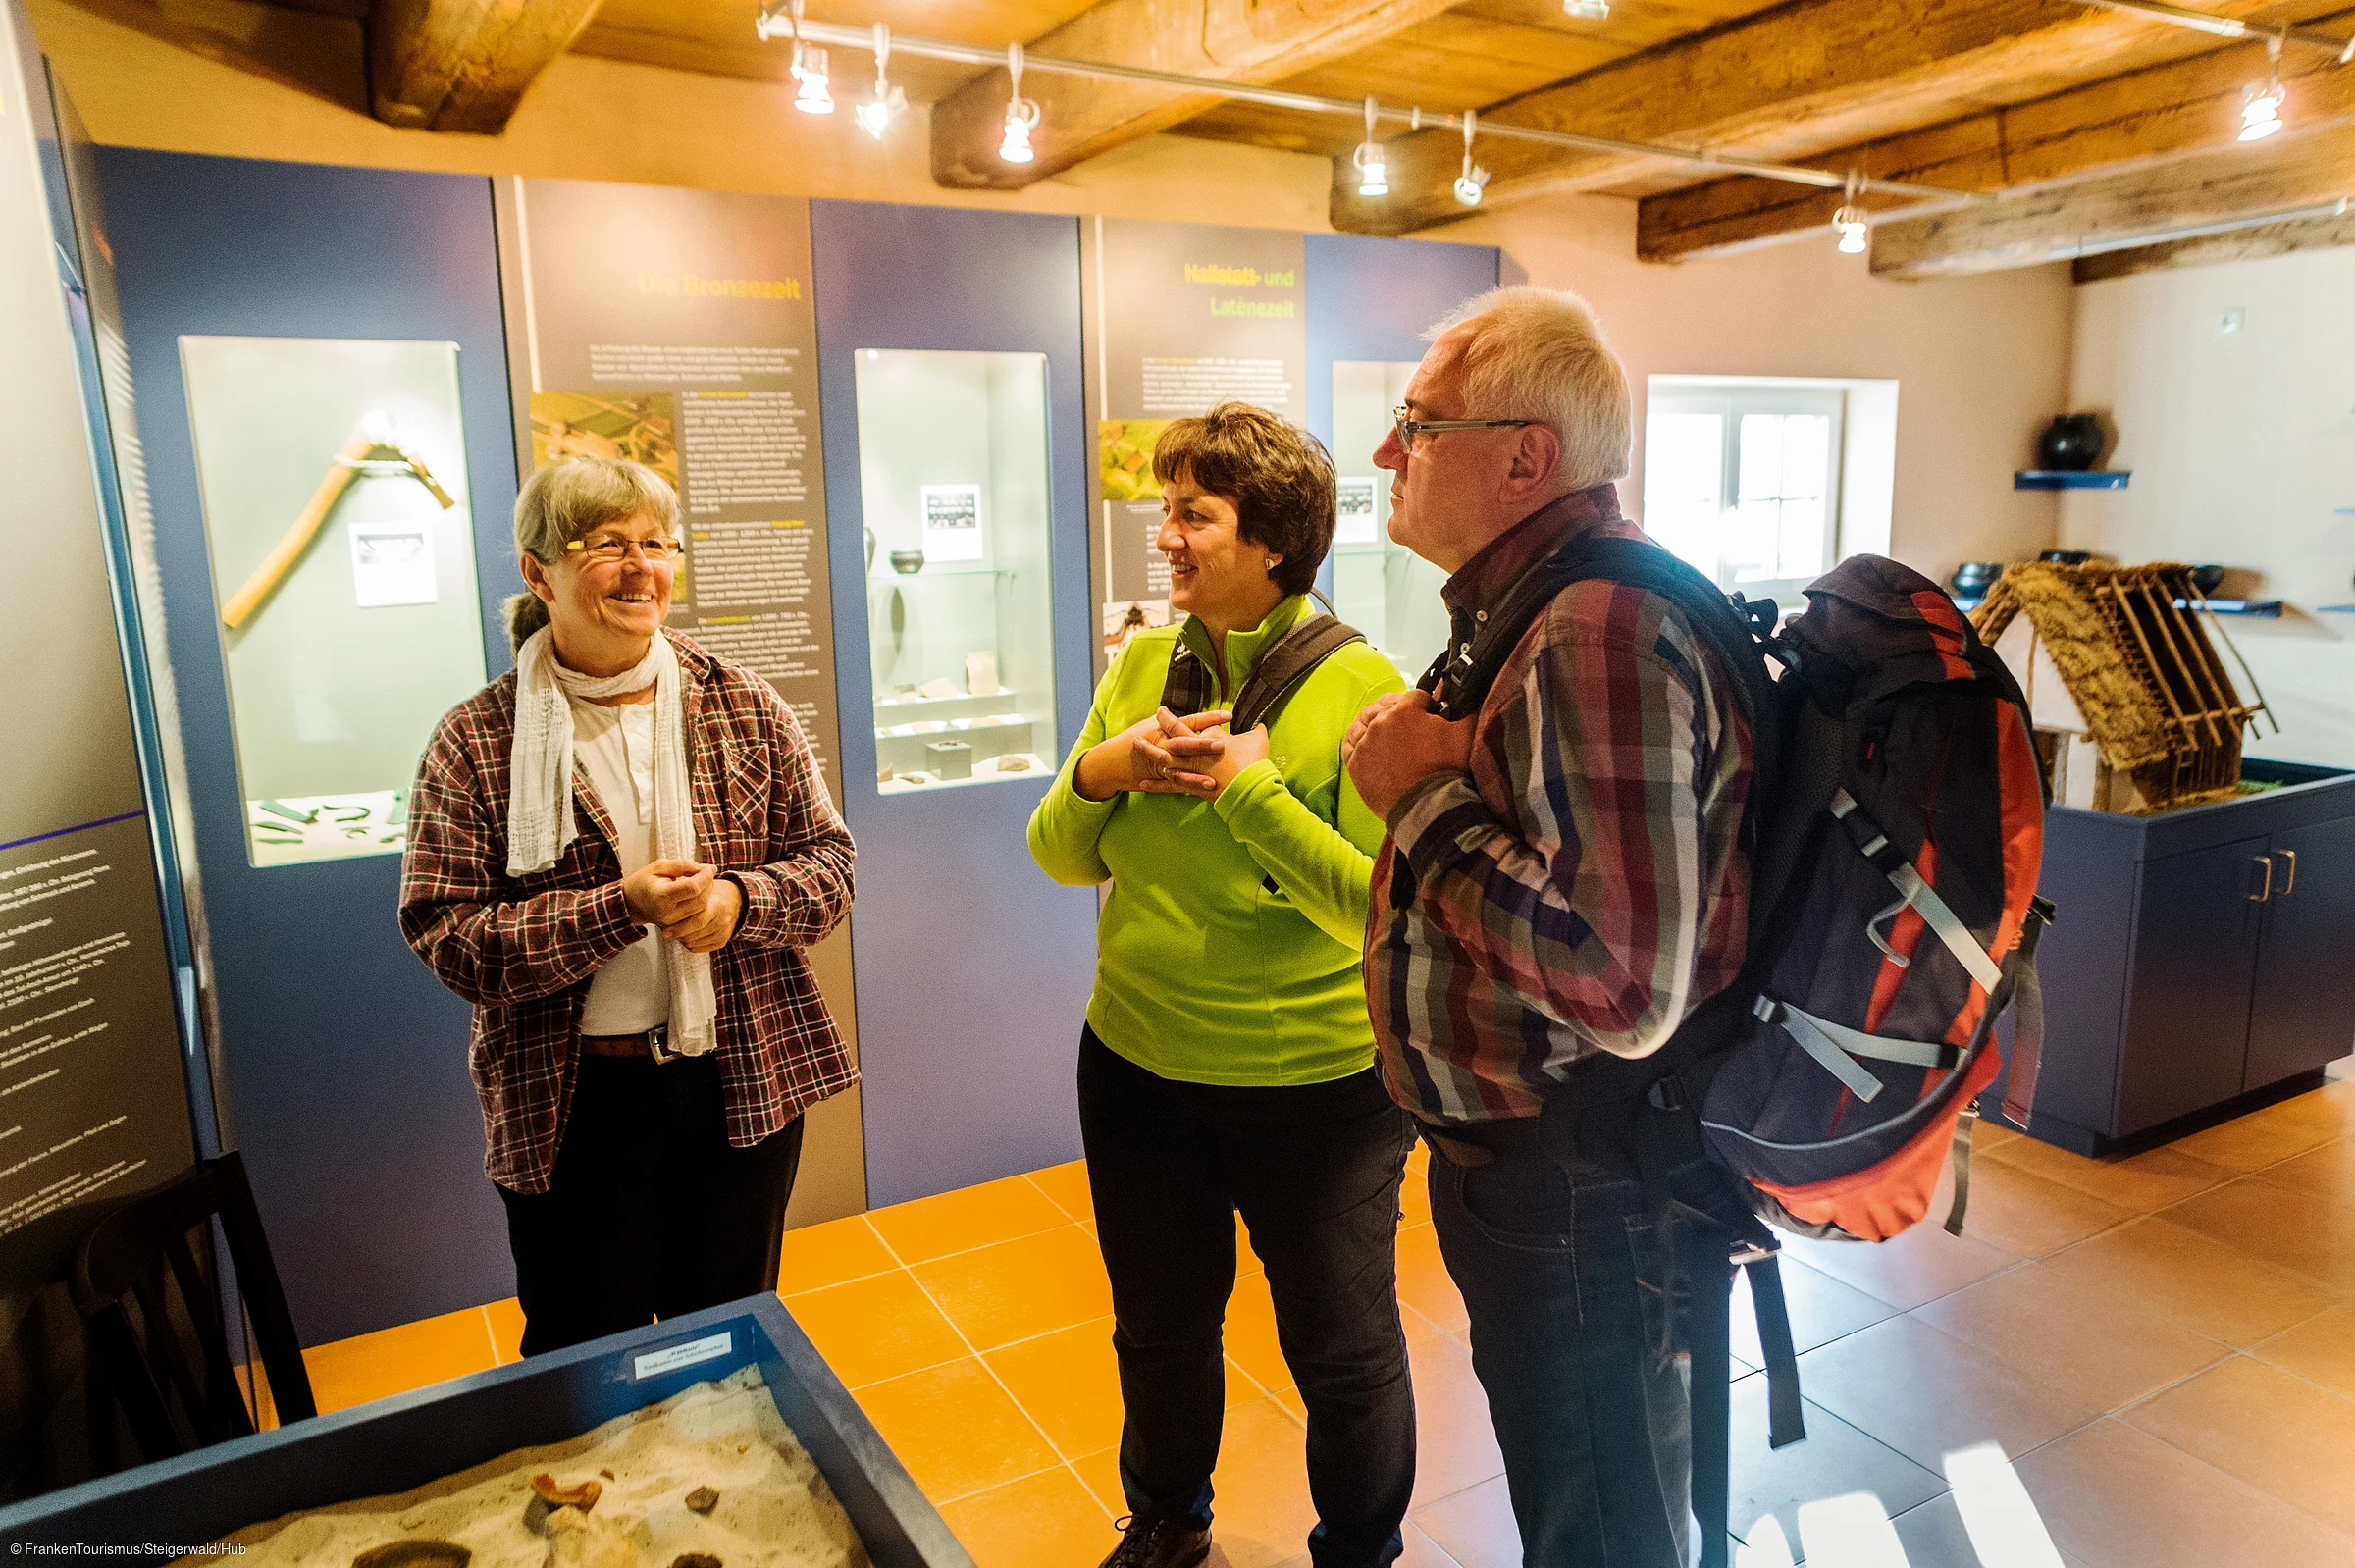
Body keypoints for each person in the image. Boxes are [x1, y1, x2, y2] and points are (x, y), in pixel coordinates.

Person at [1342, 287, 1755, 1567]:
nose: (1384, 455)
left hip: (1582, 1185)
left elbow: (1624, 980)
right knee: (1601, 1492)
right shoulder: (1545, 602)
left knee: (1602, 1523)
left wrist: (1416, 797)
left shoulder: (1597, 623)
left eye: (1418, 423)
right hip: (1562, 1172)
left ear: (1527, 454)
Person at [1028, 403, 1416, 1568]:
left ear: (1276, 540)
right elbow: (1059, 854)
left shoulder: (1369, 692)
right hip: (1139, 1067)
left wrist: (1250, 795)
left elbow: (1379, 909)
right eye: (1166, 509)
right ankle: (1167, 1519)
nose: (1166, 535)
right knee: (1157, 1327)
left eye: (1194, 513)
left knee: (1343, 1349)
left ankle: (1359, 1546)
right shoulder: (1148, 663)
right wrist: (1111, 764)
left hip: (1318, 1089)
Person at [400, 456, 856, 1356]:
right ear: (539, 573)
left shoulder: (743, 703)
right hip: (574, 1100)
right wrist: (618, 909)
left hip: (736, 1080)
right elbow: (448, 938)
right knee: (585, 1348)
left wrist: (740, 899)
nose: (641, 566)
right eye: (607, 546)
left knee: (725, 1340)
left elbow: (832, 865)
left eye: (656, 543)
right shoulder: (477, 738)